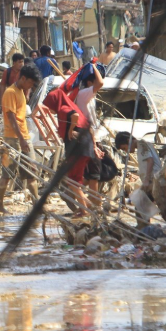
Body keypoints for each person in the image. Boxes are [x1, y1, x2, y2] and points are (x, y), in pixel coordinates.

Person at [0, 65, 41, 214]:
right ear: (23, 78)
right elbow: (11, 117)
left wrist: (24, 138)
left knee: (32, 172)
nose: (31, 86)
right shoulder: (10, 92)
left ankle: (37, 205)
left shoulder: (21, 91)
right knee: (7, 174)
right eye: (30, 83)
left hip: (25, 137)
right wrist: (21, 139)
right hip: (13, 139)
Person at [41, 90, 91, 217]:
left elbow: (75, 116)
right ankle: (89, 207)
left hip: (78, 150)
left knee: (73, 182)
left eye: (49, 105)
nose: (49, 109)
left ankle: (85, 210)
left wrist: (70, 130)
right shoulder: (69, 106)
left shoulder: (63, 109)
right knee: (74, 181)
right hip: (84, 149)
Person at [74, 62, 105, 206]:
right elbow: (100, 83)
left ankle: (74, 193)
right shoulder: (84, 94)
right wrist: (92, 66)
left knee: (92, 174)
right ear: (89, 82)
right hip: (89, 137)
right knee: (94, 176)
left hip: (93, 137)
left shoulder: (89, 96)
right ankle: (96, 207)